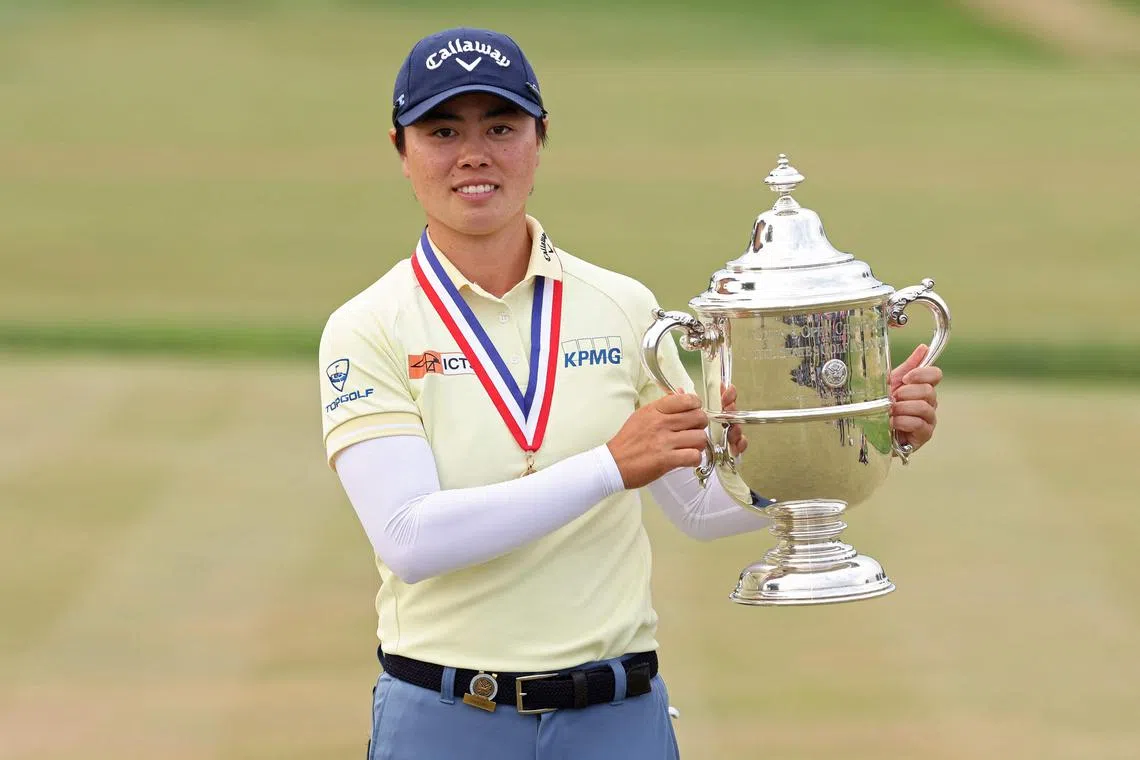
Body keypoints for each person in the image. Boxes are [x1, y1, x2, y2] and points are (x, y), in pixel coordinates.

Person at [318, 27, 942, 760]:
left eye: (502, 126)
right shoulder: (368, 327)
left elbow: (703, 507)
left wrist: (848, 435)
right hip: (447, 717)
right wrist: (610, 467)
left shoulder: (620, 305)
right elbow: (411, 538)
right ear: (400, 148)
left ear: (540, 138)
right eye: (443, 130)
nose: (474, 153)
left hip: (614, 718)